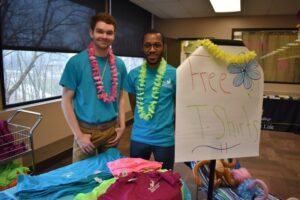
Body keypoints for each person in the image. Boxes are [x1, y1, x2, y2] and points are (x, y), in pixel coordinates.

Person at [59, 12, 127, 163]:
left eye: (109, 32)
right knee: (82, 178)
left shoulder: (120, 64)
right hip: (85, 131)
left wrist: (122, 126)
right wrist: (78, 135)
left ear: (114, 35)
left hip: (111, 130)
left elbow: (121, 97)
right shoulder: (76, 63)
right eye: (100, 31)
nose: (104, 36)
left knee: (109, 175)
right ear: (91, 33)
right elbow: (65, 101)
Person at [124, 30, 176, 170]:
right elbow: (134, 104)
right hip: (139, 138)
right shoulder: (133, 75)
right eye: (147, 45)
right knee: (136, 179)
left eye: (156, 45)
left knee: (165, 180)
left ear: (163, 47)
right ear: (142, 47)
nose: (152, 49)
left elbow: (178, 107)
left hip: (165, 139)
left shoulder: (175, 74)